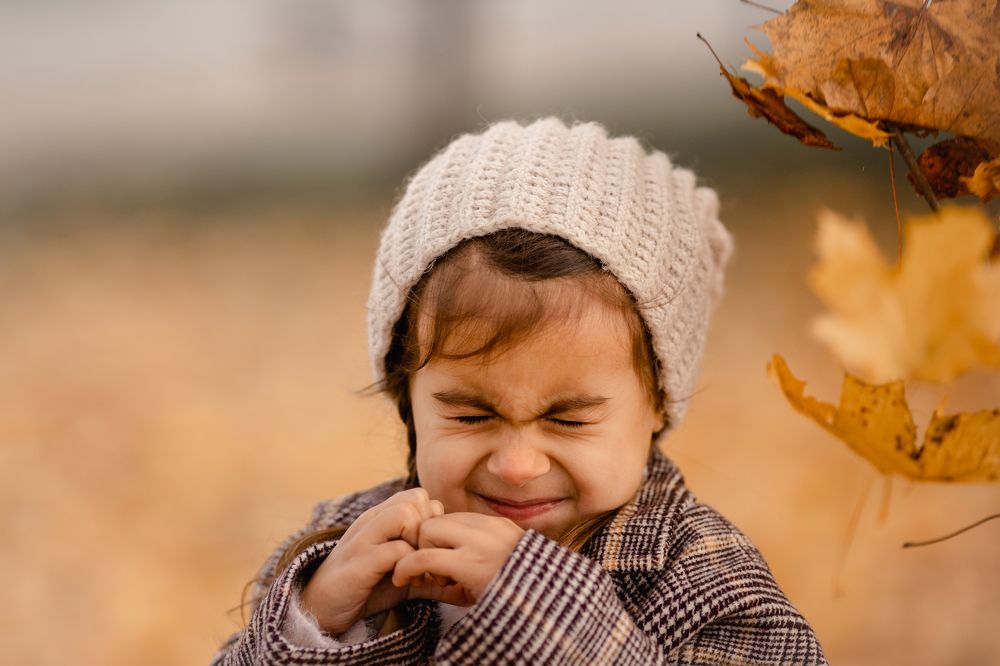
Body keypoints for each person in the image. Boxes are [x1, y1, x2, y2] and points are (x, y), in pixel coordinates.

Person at [211, 118, 827, 665]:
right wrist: (316, 623)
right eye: (473, 415)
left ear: (658, 399)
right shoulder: (343, 547)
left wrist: (555, 621)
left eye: (569, 420)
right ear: (408, 392)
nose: (516, 465)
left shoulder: (704, 582)